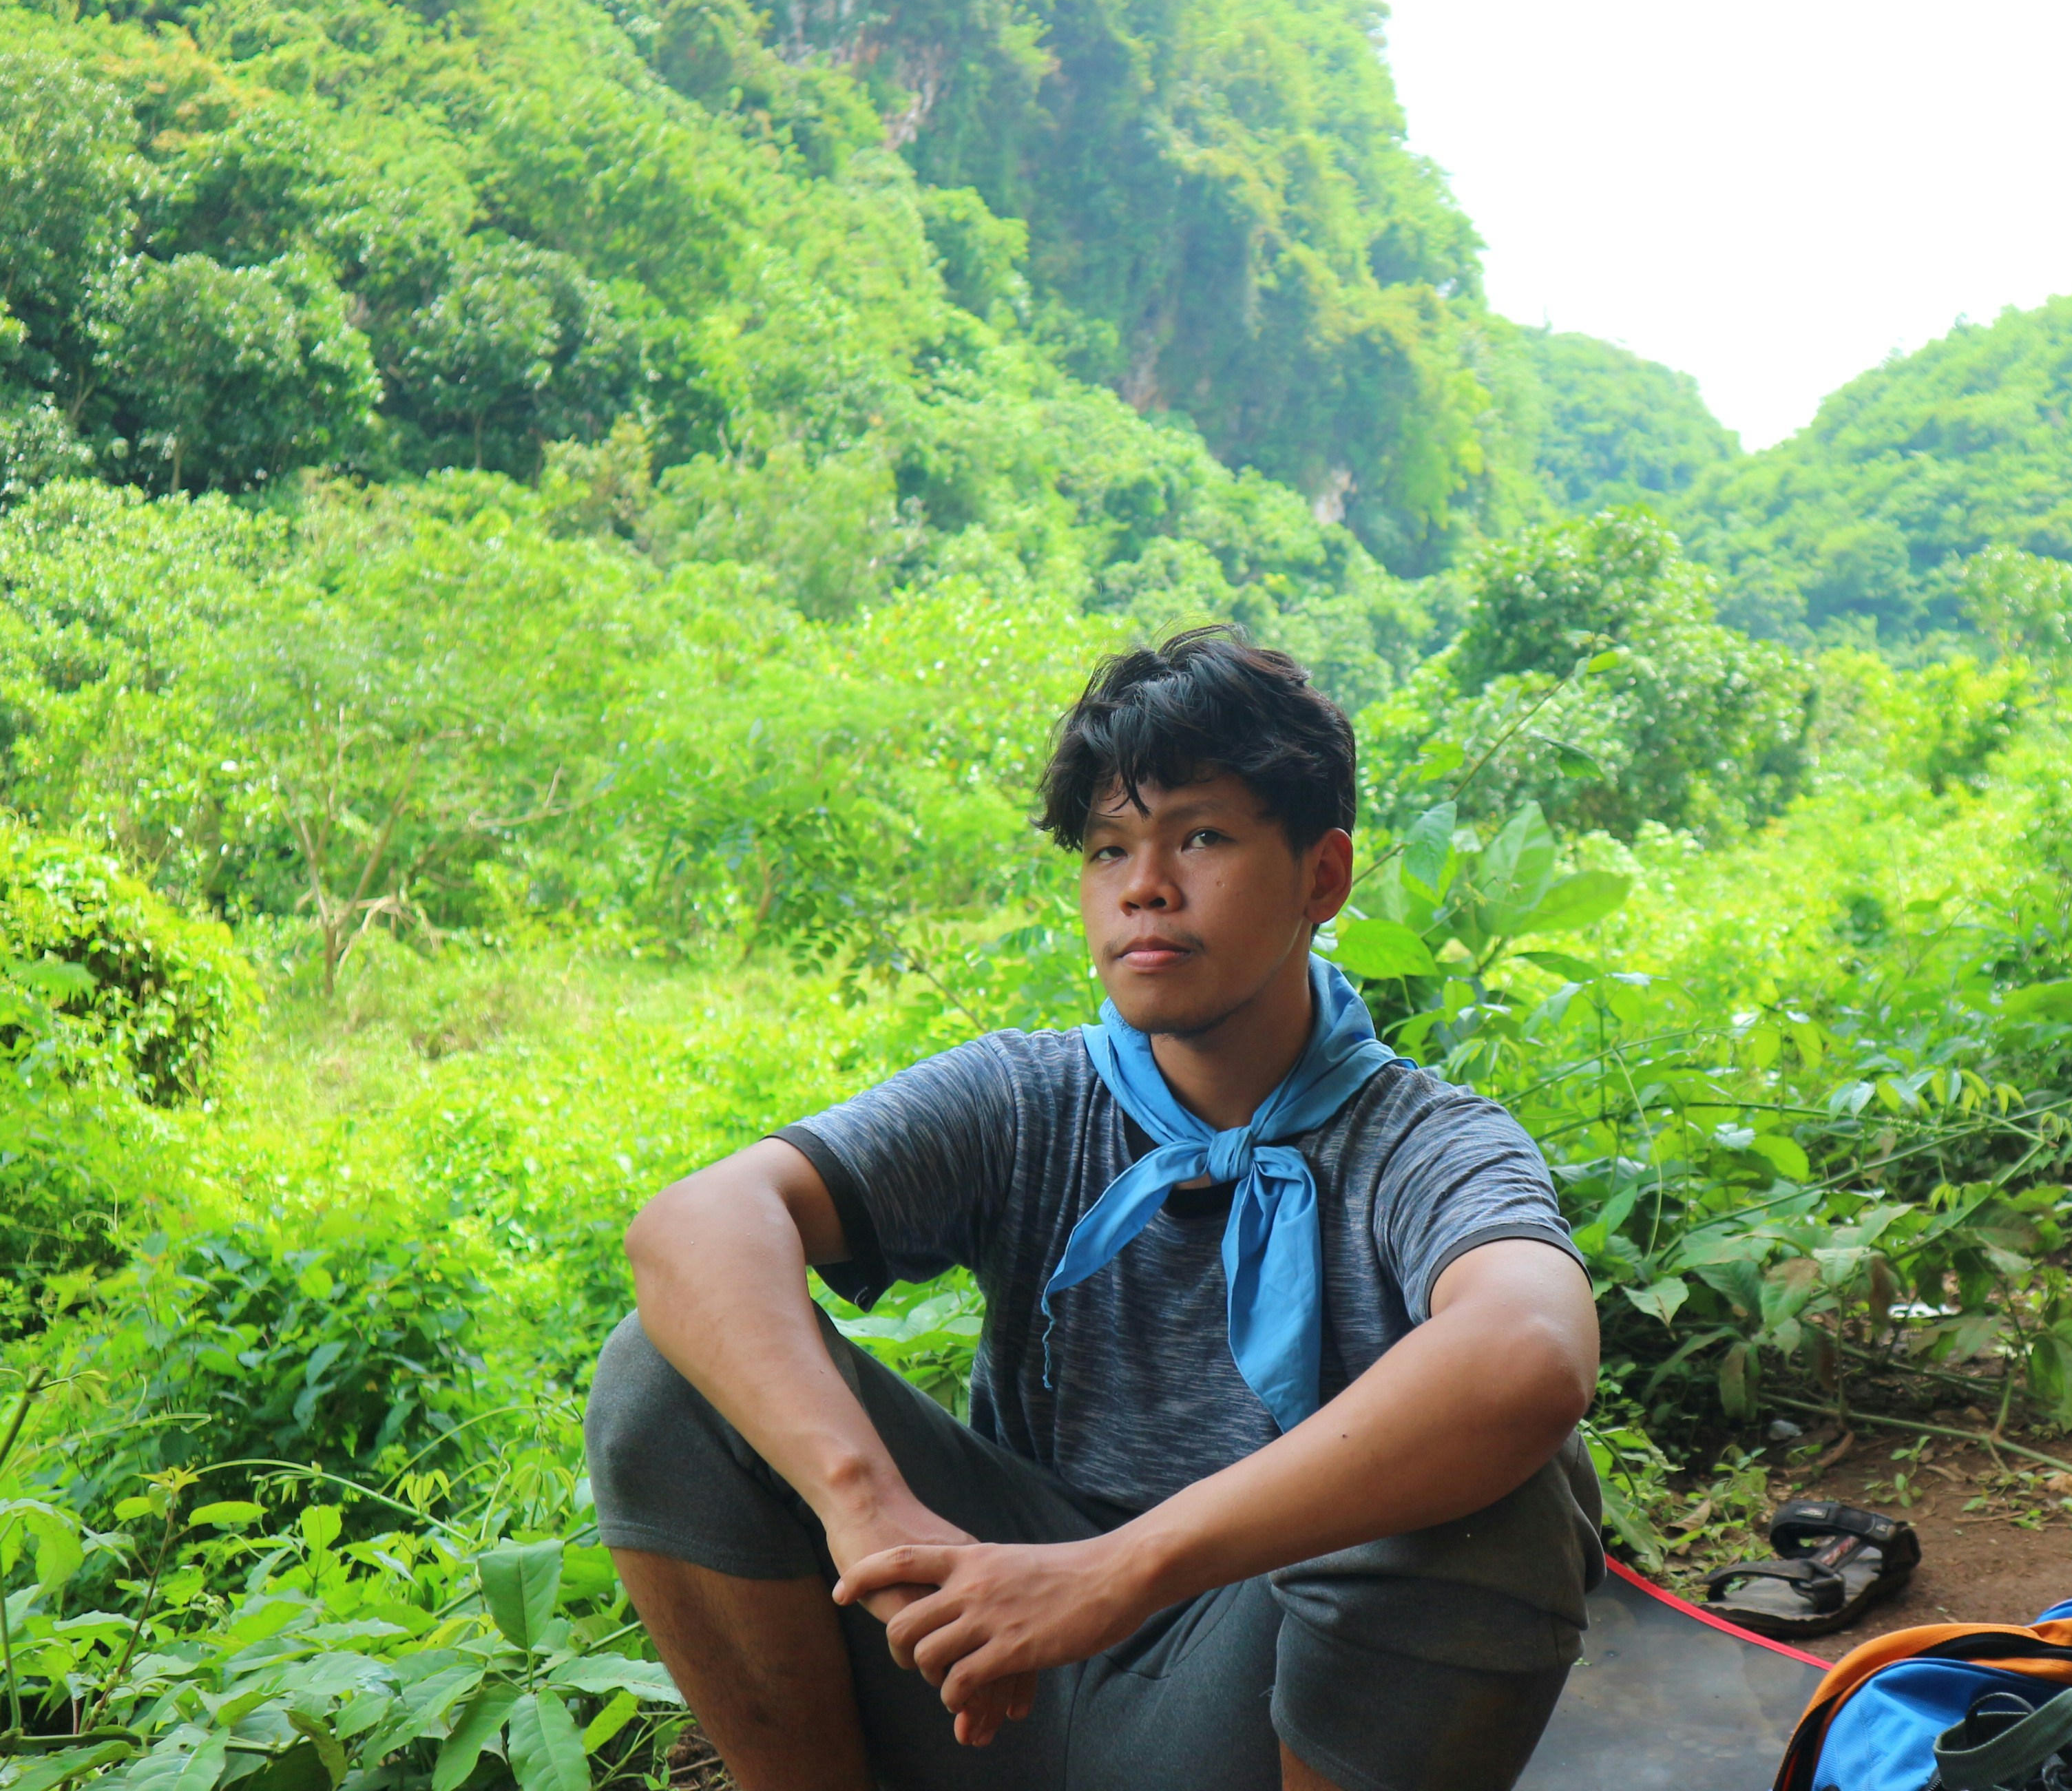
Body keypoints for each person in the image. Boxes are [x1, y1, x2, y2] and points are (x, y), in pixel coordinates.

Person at [587, 627, 1604, 1791]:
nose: (1144, 888)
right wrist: (864, 1504)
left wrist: (1120, 1572)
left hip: (1246, 1702)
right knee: (662, 1373)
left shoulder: (1423, 1144)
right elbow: (693, 1229)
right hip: (983, 1663)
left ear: (1322, 878)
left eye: (1202, 837)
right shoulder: (1030, 1098)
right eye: (1110, 848)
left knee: (1509, 1495)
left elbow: (1530, 1349)